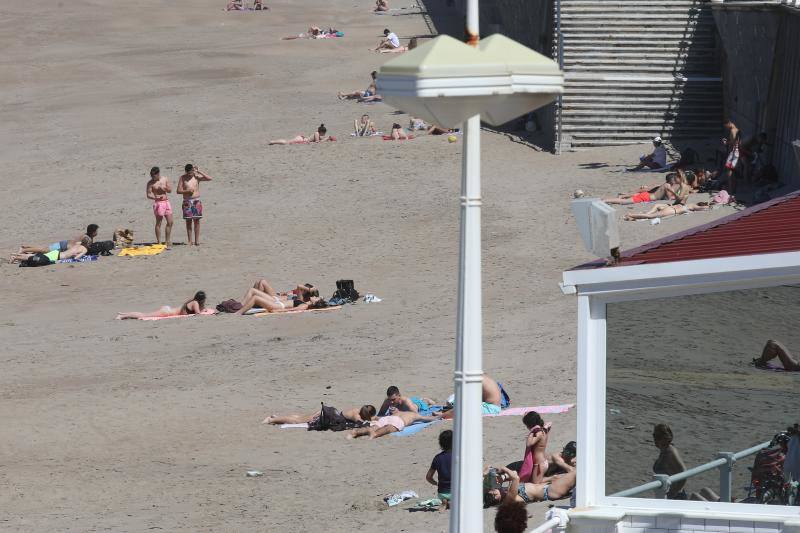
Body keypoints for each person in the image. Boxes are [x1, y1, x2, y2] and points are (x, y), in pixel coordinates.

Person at [483, 464, 576, 506]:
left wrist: (485, 475)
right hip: (550, 491)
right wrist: (503, 469)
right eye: (496, 496)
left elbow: (487, 468)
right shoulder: (509, 498)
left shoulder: (505, 490)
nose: (496, 492)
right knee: (576, 473)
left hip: (549, 486)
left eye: (493, 492)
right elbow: (515, 477)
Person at [177, 164, 212, 246]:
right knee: (188, 222)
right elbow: (178, 190)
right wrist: (187, 191)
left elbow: (209, 178)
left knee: (197, 221)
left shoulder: (196, 177)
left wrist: (199, 171)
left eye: (192, 172)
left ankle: (197, 241)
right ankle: (190, 241)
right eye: (189, 173)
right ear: (186, 172)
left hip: (196, 201)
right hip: (187, 201)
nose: (190, 174)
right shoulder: (182, 178)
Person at [347, 409, 442, 439]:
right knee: (389, 428)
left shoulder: (397, 412)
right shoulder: (413, 414)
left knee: (377, 426)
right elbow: (427, 418)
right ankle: (374, 434)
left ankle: (356, 432)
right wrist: (440, 416)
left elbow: (379, 418)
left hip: (387, 418)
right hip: (398, 421)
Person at [652, 423, 687, 499]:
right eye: (655, 436)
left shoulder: (670, 451)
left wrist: (674, 492)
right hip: (665, 493)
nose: (655, 440)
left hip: (675, 496)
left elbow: (684, 472)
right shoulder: (664, 450)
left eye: (658, 437)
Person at [116, 291, 206, 320]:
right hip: (166, 312)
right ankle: (122, 316)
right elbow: (198, 313)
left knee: (145, 314)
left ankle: (124, 314)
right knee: (144, 315)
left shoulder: (192, 301)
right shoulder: (195, 303)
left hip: (168, 310)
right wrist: (204, 311)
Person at [235, 288, 328, 315]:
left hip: (279, 306)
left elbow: (292, 310)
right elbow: (299, 287)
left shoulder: (304, 306)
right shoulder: (303, 301)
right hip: (277, 303)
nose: (315, 297)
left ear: (315, 303)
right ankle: (239, 306)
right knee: (253, 290)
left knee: (255, 297)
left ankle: (238, 313)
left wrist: (277, 311)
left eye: (317, 298)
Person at [18, 224, 99, 255]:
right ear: (93, 232)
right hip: (63, 246)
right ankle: (23, 250)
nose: (97, 232)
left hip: (64, 245)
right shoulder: (86, 238)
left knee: (45, 249)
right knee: (44, 250)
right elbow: (78, 245)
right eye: (96, 231)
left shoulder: (89, 237)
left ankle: (27, 247)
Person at [518, 411, 551, 483]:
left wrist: (532, 432)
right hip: (542, 462)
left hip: (539, 464)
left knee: (535, 484)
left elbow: (529, 443)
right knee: (534, 482)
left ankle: (554, 478)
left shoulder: (538, 433)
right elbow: (549, 425)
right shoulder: (544, 430)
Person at [263, 405, 376, 425]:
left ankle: (276, 417)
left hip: (329, 412)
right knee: (297, 421)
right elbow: (363, 423)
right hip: (327, 416)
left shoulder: (357, 410)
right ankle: (270, 420)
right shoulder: (357, 417)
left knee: (301, 418)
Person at [146, 166, 173, 248]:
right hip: (158, 203)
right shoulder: (150, 183)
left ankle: (167, 240)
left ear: (158, 174)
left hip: (166, 202)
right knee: (159, 223)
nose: (153, 178)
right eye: (152, 176)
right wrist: (155, 197)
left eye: (154, 176)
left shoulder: (164, 179)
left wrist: (164, 188)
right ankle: (159, 242)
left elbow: (170, 190)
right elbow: (148, 194)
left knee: (170, 222)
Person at [426, 429, 453, 502]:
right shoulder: (459, 457)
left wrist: (437, 483)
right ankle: (450, 502)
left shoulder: (437, 458)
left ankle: (445, 500)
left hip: (442, 492)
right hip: (457, 492)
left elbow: (428, 477)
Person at [622, 201, 717, 221]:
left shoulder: (690, 204)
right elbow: (703, 208)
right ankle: (631, 214)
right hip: (672, 211)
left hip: (671, 208)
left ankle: (631, 217)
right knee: (650, 217)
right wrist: (710, 206)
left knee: (650, 215)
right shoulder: (693, 206)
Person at [10, 243, 88, 264]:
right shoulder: (84, 249)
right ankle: (16, 257)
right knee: (39, 259)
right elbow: (76, 258)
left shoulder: (77, 244)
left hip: (57, 253)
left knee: (38, 256)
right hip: (57, 256)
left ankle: (16, 255)